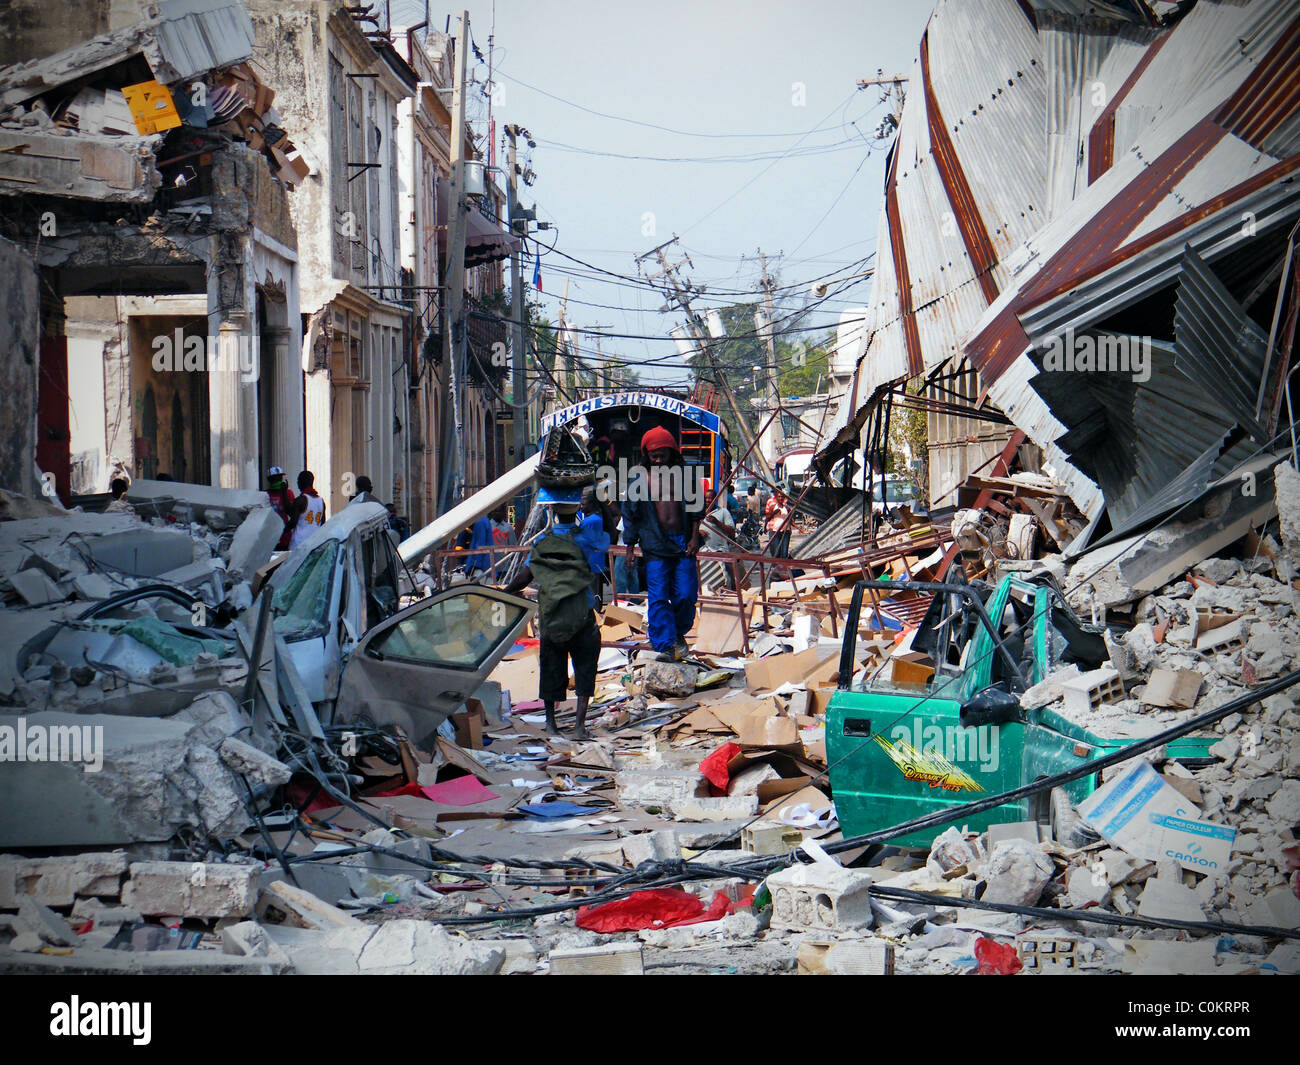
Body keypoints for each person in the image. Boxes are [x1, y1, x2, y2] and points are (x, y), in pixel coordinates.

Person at [504, 497, 609, 738]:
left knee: (551, 666)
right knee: (585, 667)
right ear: (577, 512)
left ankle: (551, 724)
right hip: (581, 613)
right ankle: (579, 726)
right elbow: (598, 564)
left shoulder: (543, 540)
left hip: (552, 615)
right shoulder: (587, 538)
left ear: (553, 512)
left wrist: (505, 592)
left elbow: (524, 577)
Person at [622, 426, 705, 662]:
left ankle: (678, 632)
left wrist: (693, 536)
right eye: (653, 456)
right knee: (658, 596)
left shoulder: (685, 475)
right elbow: (630, 514)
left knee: (687, 594)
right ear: (646, 455)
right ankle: (665, 644)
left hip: (682, 543)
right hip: (654, 544)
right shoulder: (640, 478)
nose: (658, 460)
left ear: (671, 453)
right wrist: (629, 548)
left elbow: (696, 509)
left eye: (662, 455)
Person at [700, 489, 737, 590]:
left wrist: (717, 522)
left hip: (720, 550)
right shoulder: (699, 513)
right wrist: (699, 532)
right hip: (702, 551)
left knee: (727, 576)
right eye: (706, 498)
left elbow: (731, 531)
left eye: (710, 498)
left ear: (715, 500)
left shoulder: (723, 512)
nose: (708, 500)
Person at [288, 470, 325, 549]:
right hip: (315, 543)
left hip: (299, 543)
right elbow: (322, 523)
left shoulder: (301, 500)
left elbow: (293, 522)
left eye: (298, 481)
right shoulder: (321, 501)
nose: (297, 483)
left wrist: (281, 532)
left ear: (302, 482)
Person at [265, 466, 295, 550]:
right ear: (270, 480)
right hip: (269, 536)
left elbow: (292, 512)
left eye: (280, 478)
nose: (279, 480)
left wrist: (284, 493)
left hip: (284, 537)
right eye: (276, 478)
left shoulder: (288, 493)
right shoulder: (264, 495)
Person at [766, 490, 792, 558]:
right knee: (776, 552)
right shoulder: (773, 506)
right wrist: (774, 513)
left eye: (782, 497)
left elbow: (790, 520)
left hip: (786, 531)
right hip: (775, 531)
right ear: (776, 498)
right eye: (779, 497)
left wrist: (797, 528)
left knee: (784, 552)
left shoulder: (787, 508)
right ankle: (776, 566)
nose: (781, 498)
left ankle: (784, 567)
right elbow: (767, 518)